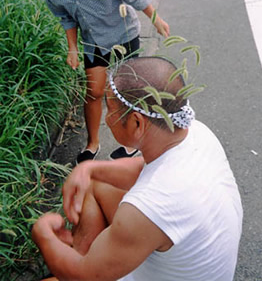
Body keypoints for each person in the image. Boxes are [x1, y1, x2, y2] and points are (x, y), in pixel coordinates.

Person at [32, 56, 243, 281]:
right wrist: (90, 169)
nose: (107, 118)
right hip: (198, 263)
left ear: (137, 123)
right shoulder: (197, 133)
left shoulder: (147, 208)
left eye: (110, 108)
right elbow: (143, 167)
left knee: (77, 272)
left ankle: (79, 263)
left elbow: (85, 276)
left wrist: (43, 233)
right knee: (95, 184)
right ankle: (81, 256)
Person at [10, 0, 170, 163]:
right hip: (93, 42)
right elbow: (67, 19)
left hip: (123, 37)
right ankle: (92, 143)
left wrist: (155, 18)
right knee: (93, 92)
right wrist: (72, 48)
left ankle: (130, 144)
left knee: (121, 92)